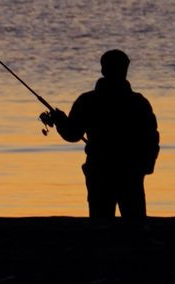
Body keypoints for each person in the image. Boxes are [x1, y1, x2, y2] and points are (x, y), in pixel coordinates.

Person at [43, 51, 160, 222]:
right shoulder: (139, 102)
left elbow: (72, 134)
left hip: (101, 170)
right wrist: (146, 166)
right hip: (130, 171)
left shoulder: (88, 101)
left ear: (103, 70)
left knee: (101, 223)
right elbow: (151, 139)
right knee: (134, 223)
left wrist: (60, 121)